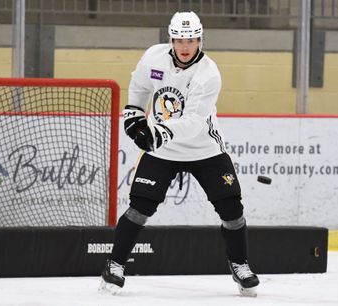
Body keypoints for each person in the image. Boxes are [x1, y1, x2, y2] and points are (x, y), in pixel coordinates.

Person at [99, 11, 260, 297]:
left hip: (204, 149)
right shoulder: (154, 57)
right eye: (179, 40)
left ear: (200, 39)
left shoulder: (208, 74)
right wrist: (134, 113)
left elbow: (194, 122)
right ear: (170, 39)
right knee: (139, 208)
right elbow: (139, 86)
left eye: (191, 40)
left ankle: (240, 265)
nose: (185, 47)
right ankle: (115, 265)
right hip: (162, 151)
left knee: (232, 209)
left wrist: (157, 133)